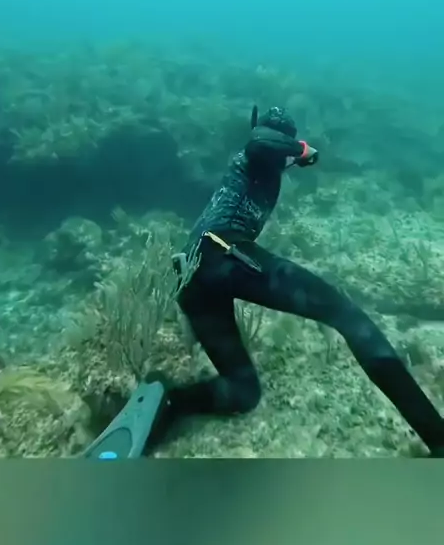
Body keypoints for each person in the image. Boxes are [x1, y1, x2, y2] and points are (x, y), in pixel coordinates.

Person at [152, 105, 444, 456]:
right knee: (349, 317)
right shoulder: (255, 153)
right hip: (221, 253)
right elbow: (260, 141)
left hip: (192, 277)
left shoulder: (260, 167)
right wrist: (303, 149)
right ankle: (437, 436)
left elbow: (266, 144)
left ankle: (171, 403)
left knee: (243, 392)